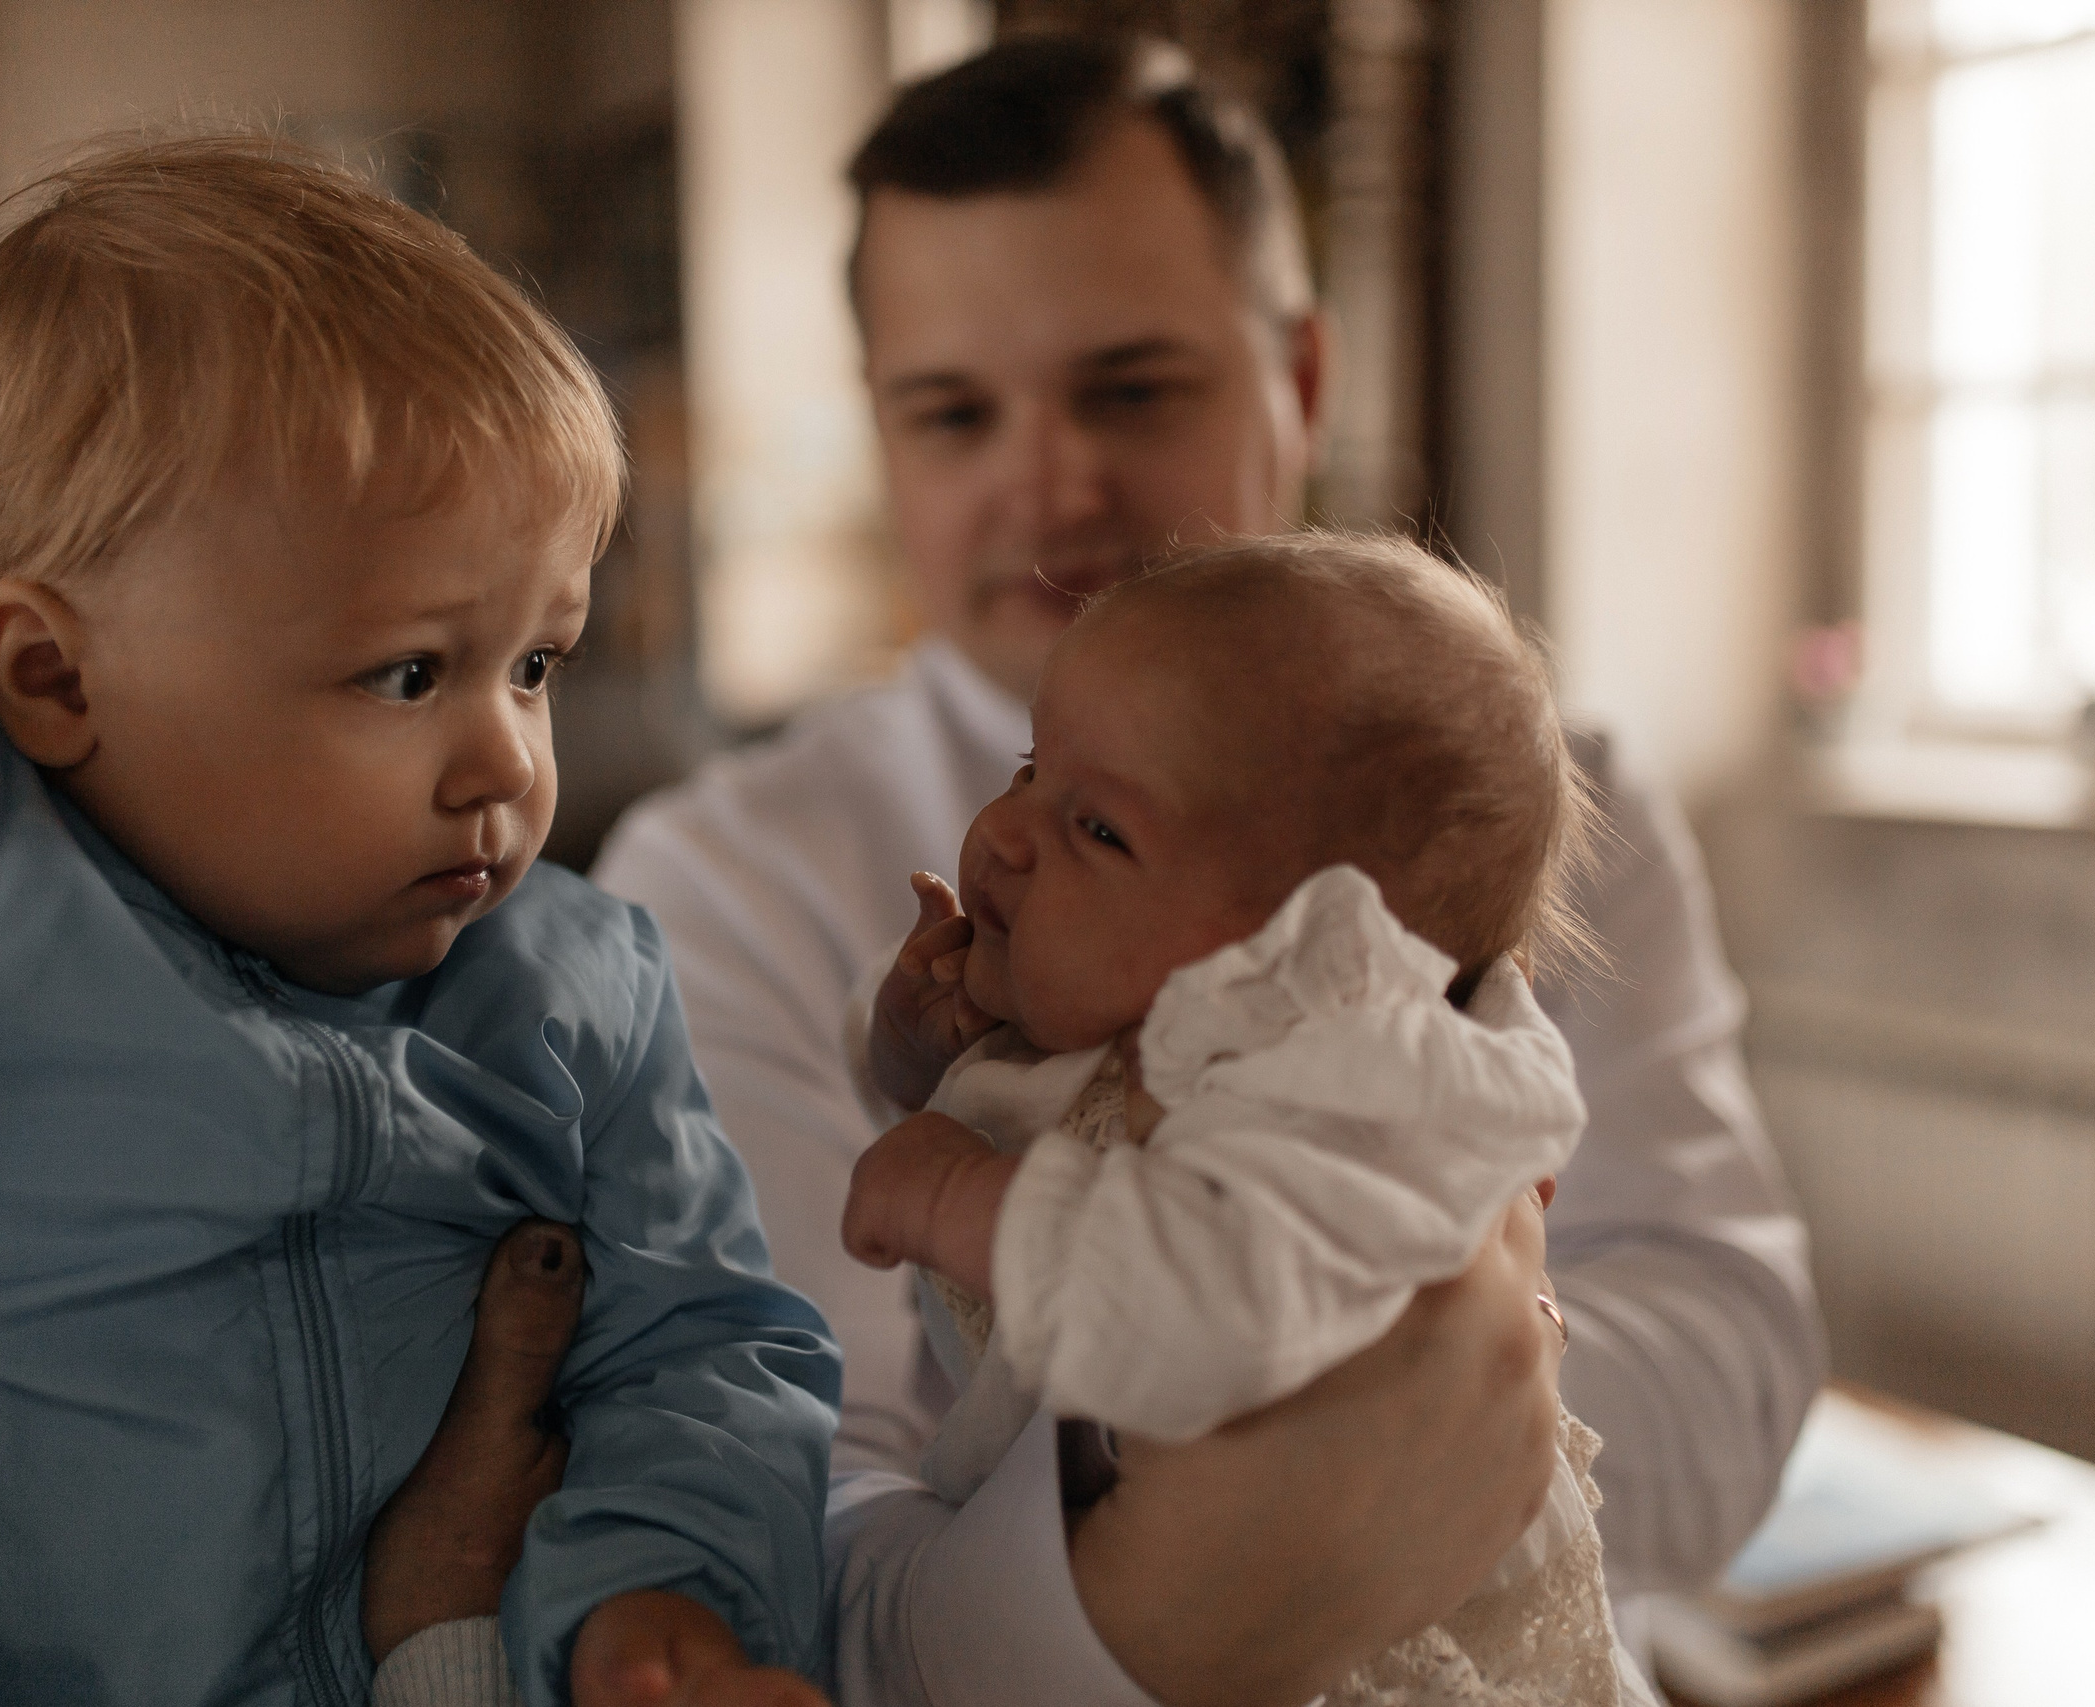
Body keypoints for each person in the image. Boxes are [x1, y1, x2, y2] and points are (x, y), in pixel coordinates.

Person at [593, 35, 1826, 1702]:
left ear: (1300, 377)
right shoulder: (722, 881)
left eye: (1134, 385)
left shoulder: (1529, 804)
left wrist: (1292, 1364)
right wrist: (1181, 1588)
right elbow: (782, 1510)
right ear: (883, 437)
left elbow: (1731, 1364)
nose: (1049, 478)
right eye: (952, 410)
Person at [0, 131, 839, 1707]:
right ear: (52, 674)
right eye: (409, 673)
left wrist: (665, 1595)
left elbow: (707, 1342)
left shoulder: (571, 987)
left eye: (537, 662)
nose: (507, 763)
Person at [840, 535, 1647, 1707]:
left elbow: (1206, 1296)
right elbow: (989, 1096)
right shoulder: (1128, 1013)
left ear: (1317, 957)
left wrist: (959, 1199)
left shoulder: (1336, 1102)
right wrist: (922, 1041)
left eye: (1100, 830)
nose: (1003, 834)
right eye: (1029, 769)